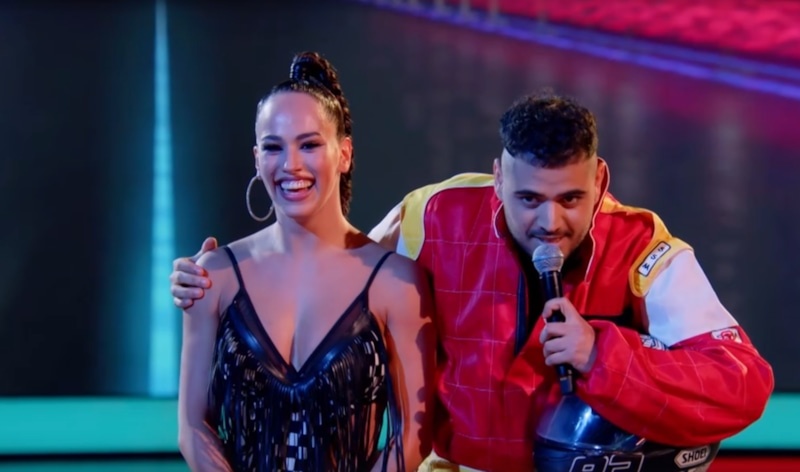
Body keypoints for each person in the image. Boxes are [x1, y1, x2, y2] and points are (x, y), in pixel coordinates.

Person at [172, 91, 774, 471]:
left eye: (571, 199)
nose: (550, 222)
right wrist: (216, 280)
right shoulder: (432, 215)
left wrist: (602, 356)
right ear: (497, 178)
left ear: (600, 180)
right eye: (528, 198)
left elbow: (743, 384)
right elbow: (330, 274)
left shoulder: (641, 246)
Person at [176, 51, 434, 472]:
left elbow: (413, 435)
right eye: (273, 147)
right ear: (257, 158)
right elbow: (191, 426)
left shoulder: (395, 282)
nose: (290, 165)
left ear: (344, 154)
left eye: (309, 145)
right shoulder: (214, 276)